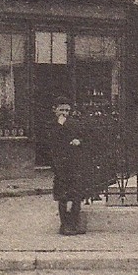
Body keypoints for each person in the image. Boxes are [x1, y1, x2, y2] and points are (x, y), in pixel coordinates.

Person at [48, 97, 87, 236]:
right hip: (60, 165)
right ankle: (64, 224)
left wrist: (79, 141)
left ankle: (74, 223)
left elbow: (83, 137)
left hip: (74, 164)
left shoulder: (74, 124)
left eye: (67, 110)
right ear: (55, 110)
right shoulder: (52, 125)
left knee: (76, 195)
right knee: (62, 196)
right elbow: (51, 142)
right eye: (62, 110)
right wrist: (59, 125)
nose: (65, 113)